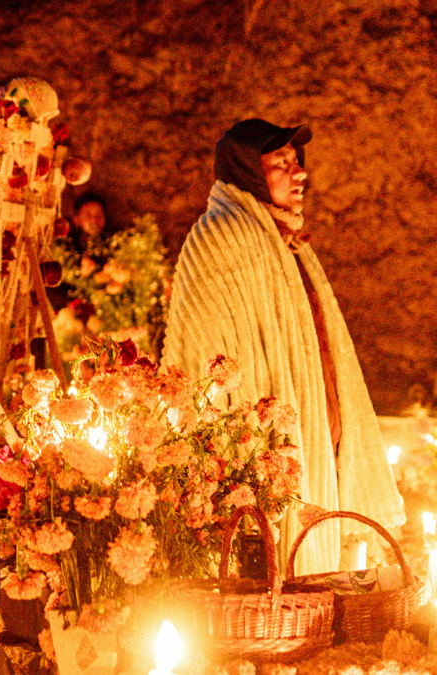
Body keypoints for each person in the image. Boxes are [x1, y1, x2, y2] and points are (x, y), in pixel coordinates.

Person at [163, 119, 403, 575]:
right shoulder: (221, 237)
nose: (299, 173)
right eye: (281, 163)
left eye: (297, 162)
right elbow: (208, 354)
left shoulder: (288, 242)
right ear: (248, 171)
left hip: (315, 432)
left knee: (315, 568)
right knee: (268, 567)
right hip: (264, 443)